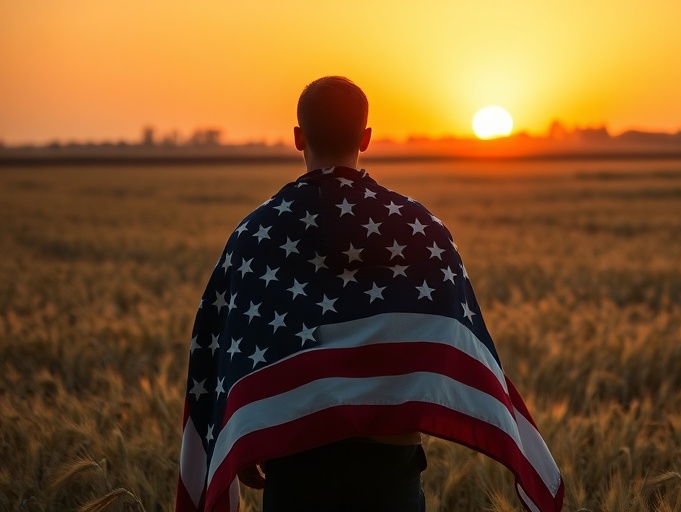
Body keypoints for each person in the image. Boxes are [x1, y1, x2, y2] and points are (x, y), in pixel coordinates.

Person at [176, 76, 563, 512]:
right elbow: (455, 337)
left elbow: (229, 344)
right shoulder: (423, 230)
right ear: (366, 137)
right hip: (390, 468)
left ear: (298, 138)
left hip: (295, 464)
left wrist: (243, 427)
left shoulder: (255, 235)